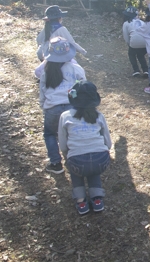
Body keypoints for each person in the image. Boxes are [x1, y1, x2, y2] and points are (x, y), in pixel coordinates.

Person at [59, 80, 112, 215]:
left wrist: (67, 155)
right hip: (101, 159)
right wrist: (104, 150)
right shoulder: (99, 116)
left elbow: (63, 142)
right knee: (93, 169)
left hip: (77, 160)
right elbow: (108, 141)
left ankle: (81, 201)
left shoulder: (65, 116)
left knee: (77, 170)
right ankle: (97, 200)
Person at [39, 37, 87, 174]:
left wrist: (44, 106)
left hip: (52, 108)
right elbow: (83, 87)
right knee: (72, 133)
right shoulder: (76, 69)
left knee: (50, 134)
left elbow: (42, 92)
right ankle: (75, 158)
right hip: (73, 106)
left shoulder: (46, 72)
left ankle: (55, 163)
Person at [122, 6, 148, 78]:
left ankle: (136, 70)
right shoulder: (142, 22)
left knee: (131, 54)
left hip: (134, 43)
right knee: (140, 55)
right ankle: (146, 70)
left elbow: (126, 37)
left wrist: (130, 44)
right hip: (145, 43)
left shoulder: (126, 23)